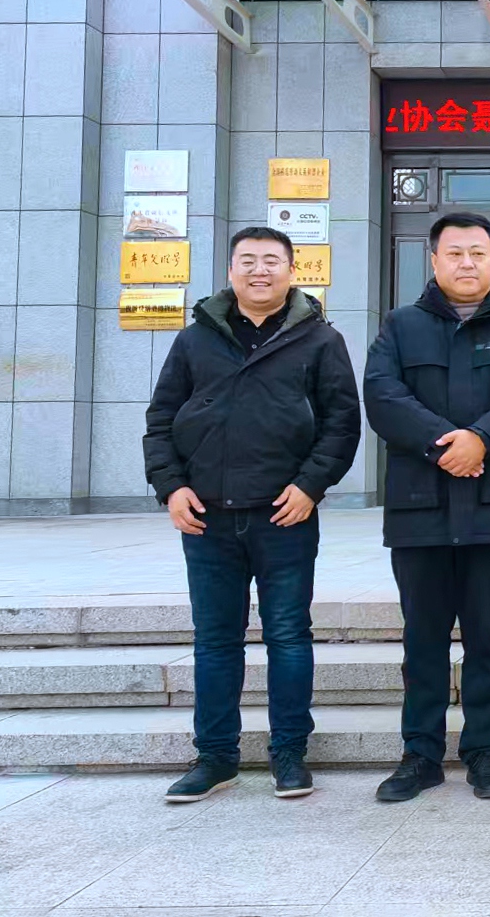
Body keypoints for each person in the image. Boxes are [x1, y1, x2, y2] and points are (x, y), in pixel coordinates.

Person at [144, 226, 360, 803]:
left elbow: (342, 424)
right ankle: (215, 757)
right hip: (206, 516)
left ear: (292, 271)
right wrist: (170, 488)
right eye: (248, 261)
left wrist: (311, 486)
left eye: (271, 261)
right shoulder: (195, 340)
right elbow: (160, 419)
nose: (259, 270)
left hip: (284, 514)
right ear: (230, 271)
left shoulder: (321, 340)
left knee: (288, 636)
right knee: (216, 640)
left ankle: (289, 752)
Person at [363, 212, 490, 803]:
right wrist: (446, 445)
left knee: (487, 638)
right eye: (455, 253)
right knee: (422, 638)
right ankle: (419, 754)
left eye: (477, 252)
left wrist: (481, 439)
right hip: (419, 506)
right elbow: (382, 395)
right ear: (434, 260)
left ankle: (483, 752)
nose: (467, 263)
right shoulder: (401, 325)